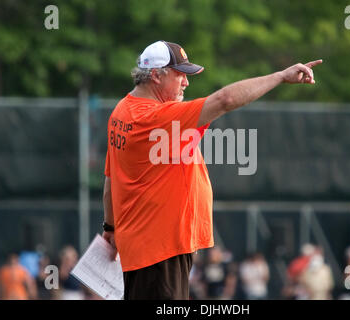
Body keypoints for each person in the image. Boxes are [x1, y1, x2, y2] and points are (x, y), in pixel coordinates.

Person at [102, 40, 322, 300]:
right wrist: (281, 76)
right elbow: (226, 99)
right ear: (155, 76)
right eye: (180, 75)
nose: (186, 82)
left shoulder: (122, 111)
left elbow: (111, 181)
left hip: (150, 248)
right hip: (158, 250)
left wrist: (110, 227)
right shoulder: (155, 117)